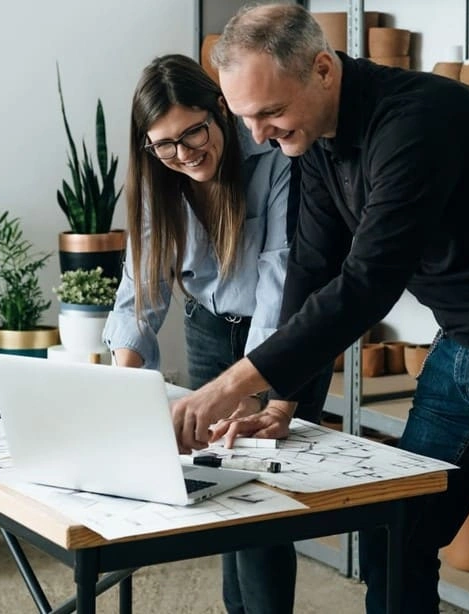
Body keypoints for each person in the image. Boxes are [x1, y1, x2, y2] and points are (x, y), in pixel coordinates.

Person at [170, 5, 469, 614]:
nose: (258, 136)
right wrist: (280, 403)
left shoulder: (416, 122)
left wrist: (230, 385)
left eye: (271, 112)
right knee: (394, 538)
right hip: (462, 344)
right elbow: (312, 265)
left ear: (323, 69)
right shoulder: (315, 138)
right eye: (246, 117)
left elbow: (366, 283)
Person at [102, 53, 330, 614]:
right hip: (208, 328)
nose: (184, 154)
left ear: (219, 109)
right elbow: (143, 283)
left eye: (193, 132)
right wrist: (119, 388)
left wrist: (253, 384)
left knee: (261, 502)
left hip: (282, 334)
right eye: (164, 144)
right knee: (218, 489)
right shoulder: (160, 175)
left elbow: (282, 277)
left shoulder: (275, 160)